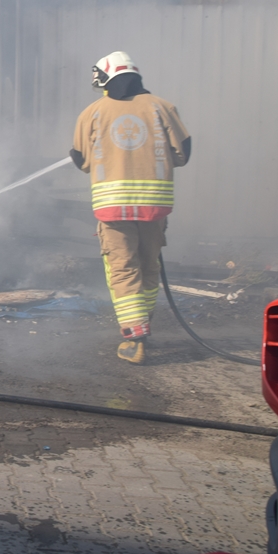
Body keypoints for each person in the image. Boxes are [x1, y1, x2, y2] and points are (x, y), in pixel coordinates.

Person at [70, 52, 191, 364]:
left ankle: (135, 338)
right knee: (149, 265)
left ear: (106, 79)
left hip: (113, 208)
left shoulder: (91, 113)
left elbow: (81, 160)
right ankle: (143, 325)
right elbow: (183, 154)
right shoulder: (163, 108)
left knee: (123, 268)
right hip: (154, 206)